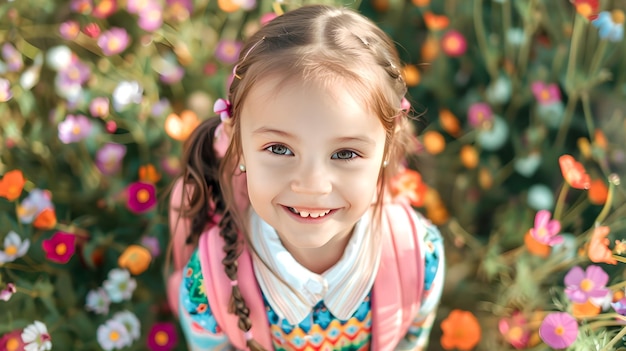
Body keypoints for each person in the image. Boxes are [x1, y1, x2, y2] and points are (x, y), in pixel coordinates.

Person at [167, 4, 444, 351]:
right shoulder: (209, 281)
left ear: (387, 146)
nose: (312, 184)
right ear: (236, 143)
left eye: (345, 154)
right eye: (280, 149)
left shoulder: (419, 254)